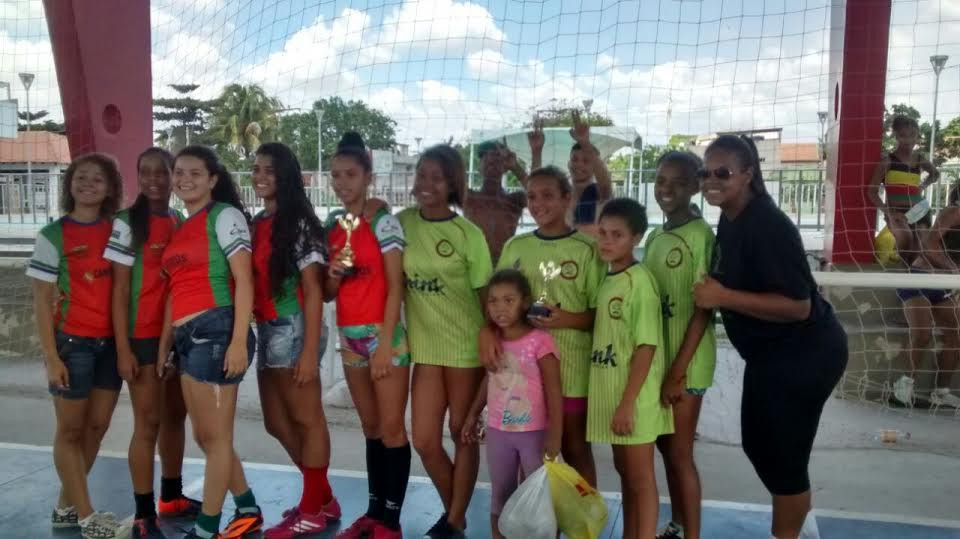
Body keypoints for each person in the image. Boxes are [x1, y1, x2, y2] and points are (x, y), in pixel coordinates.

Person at [693, 135, 848, 539]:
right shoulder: (731, 214)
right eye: (704, 172)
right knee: (759, 444)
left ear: (748, 174)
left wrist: (723, 296)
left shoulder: (768, 225)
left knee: (783, 458)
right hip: (770, 357)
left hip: (805, 353)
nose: (711, 179)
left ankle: (788, 534)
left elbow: (798, 305)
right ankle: (799, 521)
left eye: (722, 172)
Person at [158, 146, 262, 539]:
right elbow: (174, 291)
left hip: (216, 332)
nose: (184, 179)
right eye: (179, 172)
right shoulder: (182, 225)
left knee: (216, 439)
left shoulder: (225, 216)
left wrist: (238, 341)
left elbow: (245, 280)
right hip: (188, 338)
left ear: (213, 179)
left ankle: (207, 529)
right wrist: (168, 344)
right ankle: (248, 506)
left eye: (195, 173)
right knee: (206, 437)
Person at [482, 165, 604, 486]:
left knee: (574, 448)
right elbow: (497, 301)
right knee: (531, 456)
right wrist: (487, 330)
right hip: (523, 374)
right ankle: (536, 522)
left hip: (571, 370)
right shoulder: (516, 247)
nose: (538, 204)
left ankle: (583, 527)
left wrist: (567, 320)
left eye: (547, 195)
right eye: (532, 197)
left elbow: (599, 314)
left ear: (567, 199)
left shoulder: (587, 250)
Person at [29, 153, 127, 539]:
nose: (88, 184)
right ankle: (87, 518)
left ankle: (65, 508)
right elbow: (40, 302)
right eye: (81, 177)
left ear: (109, 189)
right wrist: (52, 358)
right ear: (70, 183)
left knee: (97, 427)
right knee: (70, 432)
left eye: (98, 179)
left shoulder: (118, 230)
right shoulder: (52, 236)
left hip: (110, 346)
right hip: (73, 345)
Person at [397, 144, 493, 538]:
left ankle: (453, 520)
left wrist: (491, 349)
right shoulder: (400, 223)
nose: (426, 184)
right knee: (423, 439)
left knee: (461, 432)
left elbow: (488, 303)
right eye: (421, 175)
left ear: (453, 182)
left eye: (436, 177)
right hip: (425, 349)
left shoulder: (467, 234)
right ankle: (457, 511)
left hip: (465, 348)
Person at [103, 147, 199, 539]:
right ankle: (144, 514)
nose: (156, 179)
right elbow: (119, 289)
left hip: (177, 335)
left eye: (164, 172)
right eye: (147, 172)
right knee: (148, 423)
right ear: (138, 177)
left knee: (176, 417)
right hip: (140, 338)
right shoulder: (127, 223)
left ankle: (171, 496)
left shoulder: (178, 219)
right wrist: (123, 348)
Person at [247, 142, 339, 538]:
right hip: (267, 328)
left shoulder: (299, 221)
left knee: (307, 419)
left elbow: (314, 290)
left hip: (294, 327)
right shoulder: (258, 222)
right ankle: (322, 499)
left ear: (285, 176)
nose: (260, 176)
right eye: (256, 169)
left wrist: (308, 352)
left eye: (270, 170)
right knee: (275, 422)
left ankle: (311, 510)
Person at [322, 133, 411, 539]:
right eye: (336, 175)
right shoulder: (336, 228)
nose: (342, 182)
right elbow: (327, 293)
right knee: (371, 427)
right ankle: (374, 513)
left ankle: (390, 520)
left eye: (351, 175)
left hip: (382, 337)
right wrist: (333, 275)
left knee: (392, 429)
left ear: (368, 178)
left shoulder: (383, 221)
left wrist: (385, 346)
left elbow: (397, 285)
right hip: (349, 336)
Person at [643, 151, 716, 539]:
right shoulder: (656, 235)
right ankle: (678, 524)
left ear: (694, 187)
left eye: (678, 182)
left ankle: (692, 534)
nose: (667, 188)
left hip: (685, 363)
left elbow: (703, 310)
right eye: (661, 180)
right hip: (661, 361)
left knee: (679, 452)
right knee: (665, 449)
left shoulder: (700, 236)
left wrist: (677, 370)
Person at [589, 198, 673, 539]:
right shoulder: (608, 279)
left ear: (636, 238)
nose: (607, 241)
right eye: (603, 234)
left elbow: (646, 347)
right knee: (625, 472)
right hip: (611, 394)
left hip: (633, 399)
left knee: (641, 480)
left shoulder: (640, 283)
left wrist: (627, 403)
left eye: (617, 235)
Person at [463, 269, 563, 539]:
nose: (499, 307)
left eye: (508, 300)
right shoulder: (493, 341)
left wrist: (555, 436)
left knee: (540, 498)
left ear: (525, 302)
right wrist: (473, 414)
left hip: (534, 433)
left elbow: (554, 391)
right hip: (499, 432)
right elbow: (489, 379)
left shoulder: (540, 341)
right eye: (493, 301)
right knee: (500, 495)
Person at [885, 183, 960, 409]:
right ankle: (902, 389)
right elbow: (929, 246)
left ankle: (941, 392)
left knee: (955, 335)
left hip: (943, 283)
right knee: (923, 334)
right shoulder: (954, 210)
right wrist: (953, 270)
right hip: (920, 277)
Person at [528, 111, 612, 235]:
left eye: (586, 161)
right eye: (575, 159)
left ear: (594, 166)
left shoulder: (598, 193)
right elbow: (536, 185)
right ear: (569, 163)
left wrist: (585, 143)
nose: (579, 164)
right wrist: (536, 151)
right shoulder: (560, 194)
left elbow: (605, 183)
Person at [462, 140, 528, 263]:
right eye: (486, 158)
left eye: (496, 159)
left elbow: (538, 192)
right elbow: (443, 187)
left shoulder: (514, 200)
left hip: (504, 268)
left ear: (505, 167)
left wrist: (516, 168)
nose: (491, 161)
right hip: (472, 265)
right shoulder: (469, 197)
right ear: (479, 167)